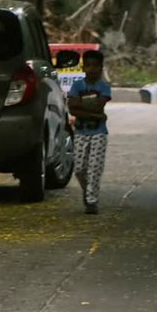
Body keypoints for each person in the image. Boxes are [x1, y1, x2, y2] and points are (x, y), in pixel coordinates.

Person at [67, 50, 111, 214]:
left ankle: (91, 201)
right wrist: (96, 114)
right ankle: (87, 191)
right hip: (80, 132)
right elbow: (72, 107)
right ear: (83, 67)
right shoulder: (77, 85)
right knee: (79, 168)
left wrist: (81, 106)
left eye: (95, 66)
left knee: (94, 168)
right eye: (88, 66)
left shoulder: (104, 87)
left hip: (99, 132)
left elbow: (99, 105)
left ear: (101, 68)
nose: (91, 69)